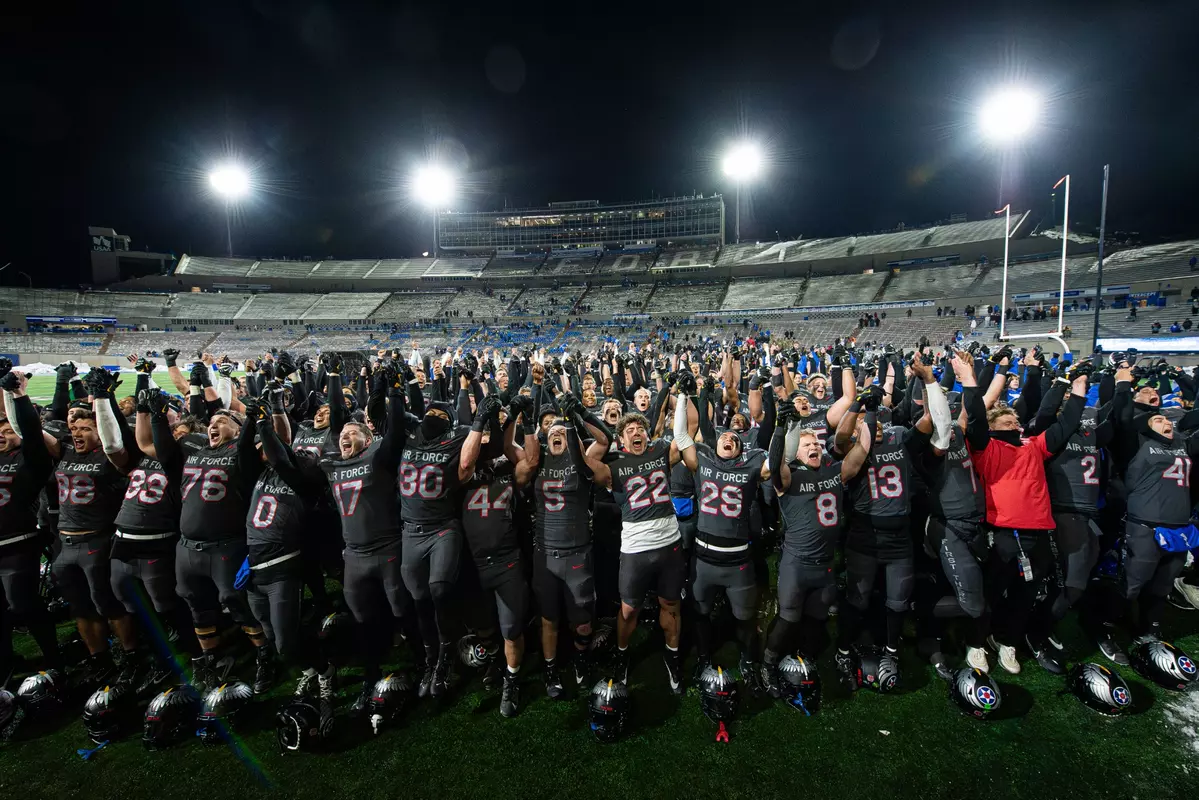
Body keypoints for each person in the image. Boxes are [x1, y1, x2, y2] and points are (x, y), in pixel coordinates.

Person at [954, 351, 1088, 674]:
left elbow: (1067, 423)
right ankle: (975, 642)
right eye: (1006, 419)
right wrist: (969, 379)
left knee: (1025, 594)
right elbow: (974, 413)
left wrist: (1080, 385)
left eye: (1015, 419)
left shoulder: (1034, 446)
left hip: (1039, 534)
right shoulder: (986, 448)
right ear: (993, 426)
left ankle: (1008, 641)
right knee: (988, 592)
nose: (1014, 422)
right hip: (1002, 533)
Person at [585, 375, 693, 694]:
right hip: (635, 549)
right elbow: (588, 460)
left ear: (647, 435)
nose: (636, 432)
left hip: (670, 545)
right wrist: (581, 414)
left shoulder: (660, 453)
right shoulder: (615, 467)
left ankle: (672, 660)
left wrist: (684, 398)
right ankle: (622, 656)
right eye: (629, 430)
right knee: (628, 610)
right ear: (621, 440)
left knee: (671, 606)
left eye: (640, 429)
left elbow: (683, 436)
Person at [0, 367, 63, 683]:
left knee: (24, 606)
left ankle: (53, 660)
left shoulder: (30, 458)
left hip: (18, 543)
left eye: (5, 430)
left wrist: (17, 396)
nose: (0, 434)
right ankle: (7, 661)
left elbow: (30, 432)